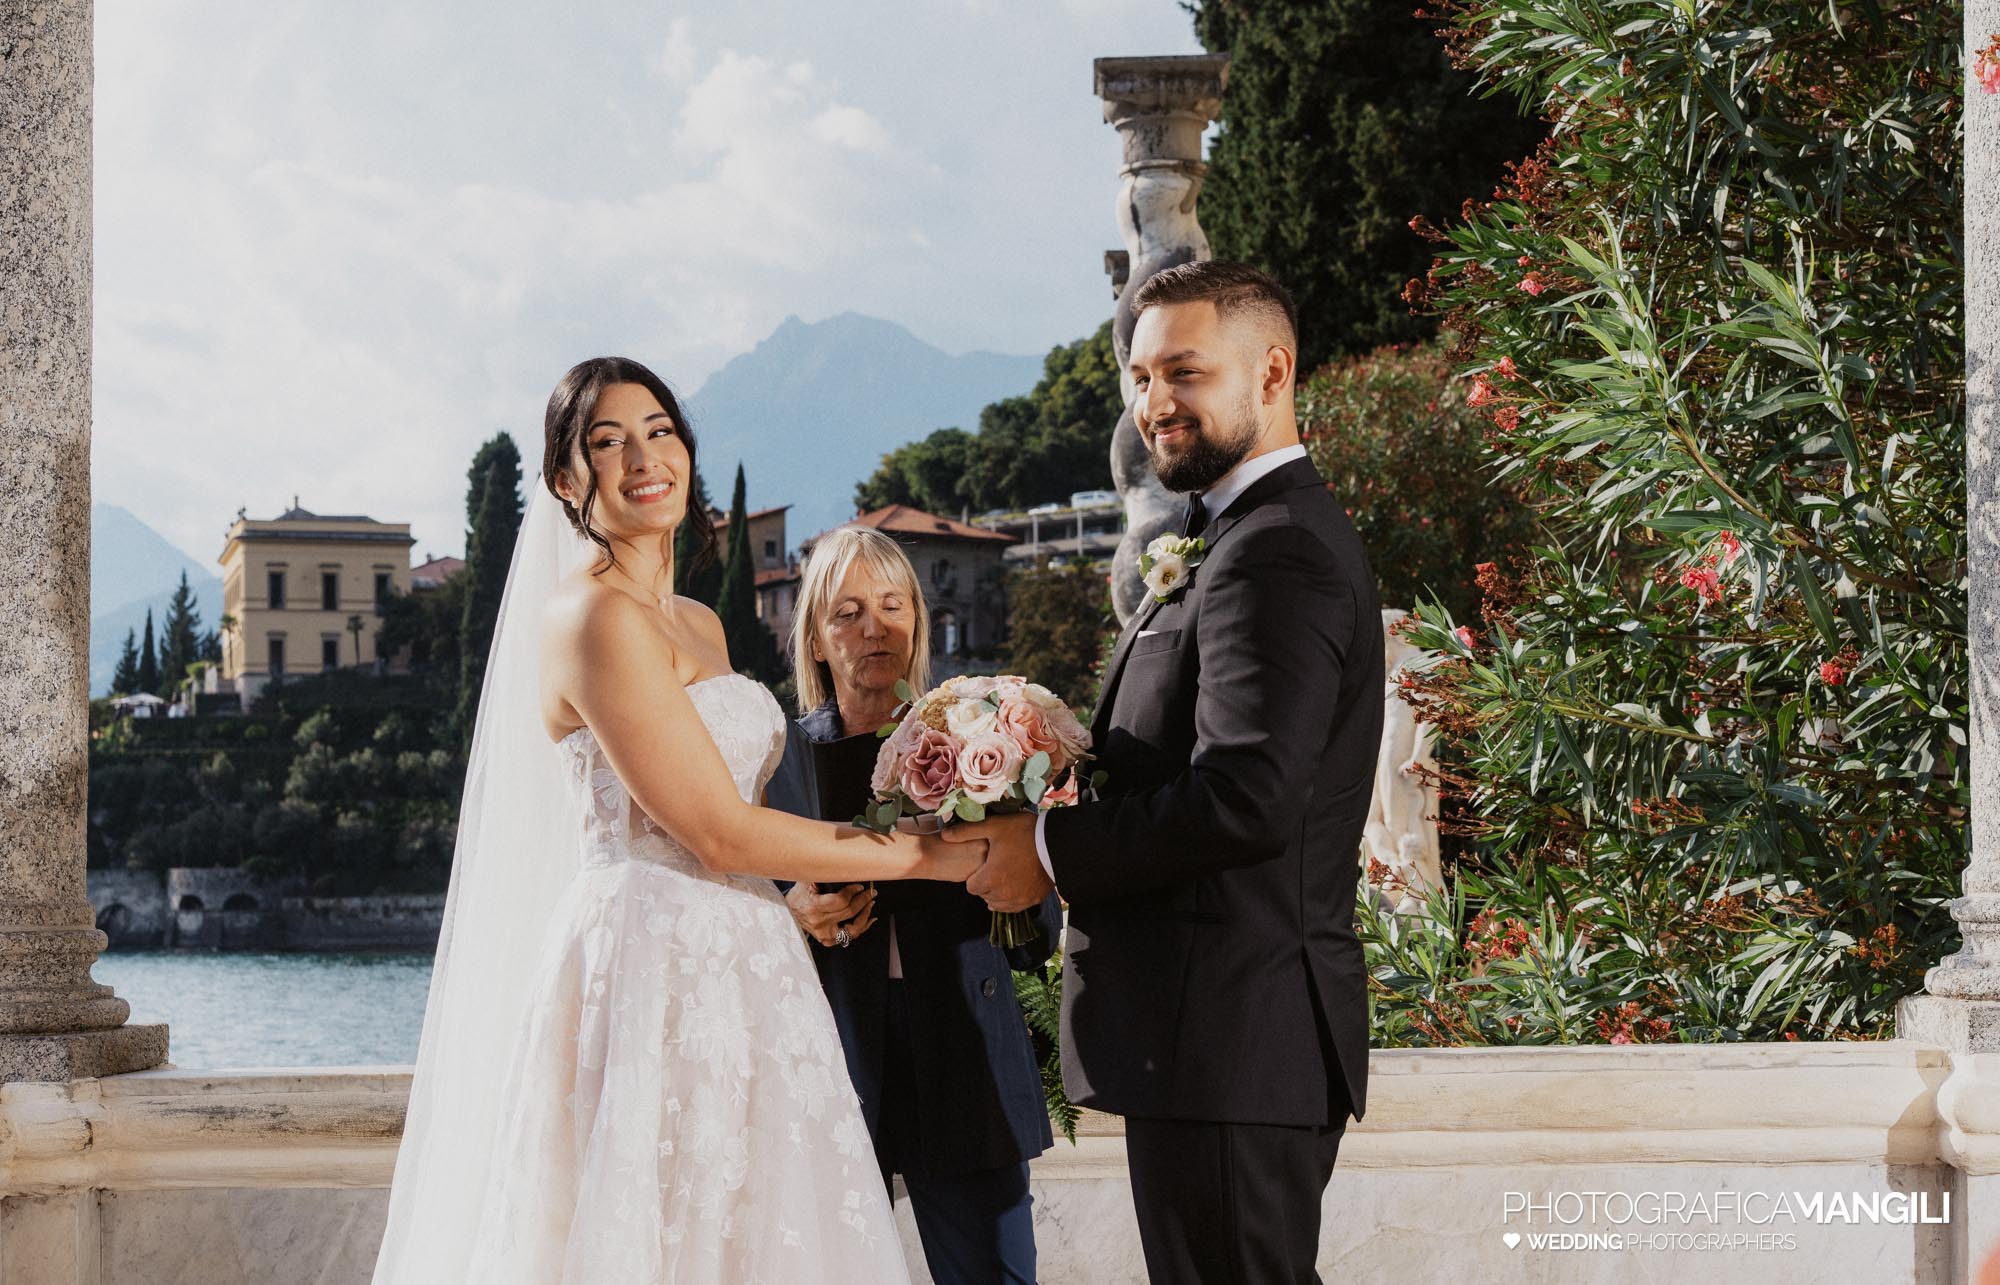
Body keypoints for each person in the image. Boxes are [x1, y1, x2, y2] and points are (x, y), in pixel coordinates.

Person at [373, 357, 986, 1284]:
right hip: (650, 966)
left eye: (659, 430)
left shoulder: (699, 621)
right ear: (568, 481)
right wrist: (936, 856)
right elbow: (719, 832)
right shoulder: (592, 617)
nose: (643, 456)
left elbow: (720, 826)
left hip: (749, 965)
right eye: (608, 441)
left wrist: (786, 905)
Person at [952, 261, 1381, 1284]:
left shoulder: (1272, 552)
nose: (1153, 404)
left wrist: (1048, 848)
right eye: (1139, 378)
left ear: (1271, 371)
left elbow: (1244, 798)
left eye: (1182, 372)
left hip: (1232, 1040)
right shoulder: (1233, 539)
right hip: (1218, 1049)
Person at [766, 526, 1058, 1285]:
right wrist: (792, 911)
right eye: (849, 611)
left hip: (965, 1058)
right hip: (831, 1064)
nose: (875, 627)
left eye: (894, 605)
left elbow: (1037, 936)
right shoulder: (778, 762)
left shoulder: (978, 734)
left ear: (919, 623)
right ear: (817, 640)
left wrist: (1017, 841)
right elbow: (733, 913)